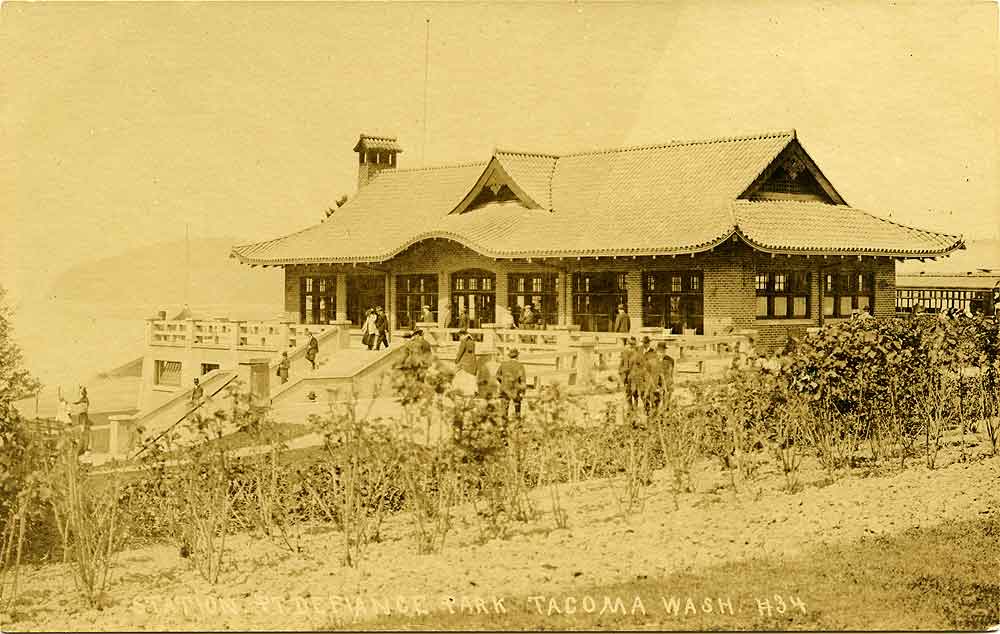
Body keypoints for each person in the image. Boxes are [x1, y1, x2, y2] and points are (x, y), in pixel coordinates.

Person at [496, 348, 527, 418]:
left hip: (504, 388)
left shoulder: (503, 364)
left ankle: (504, 426)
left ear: (509, 356)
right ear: (517, 356)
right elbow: (523, 380)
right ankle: (517, 425)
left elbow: (497, 375)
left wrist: (503, 381)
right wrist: (523, 392)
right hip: (516, 389)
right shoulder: (520, 366)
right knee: (517, 408)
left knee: (504, 409)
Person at [452, 328, 478, 396]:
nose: (459, 338)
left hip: (464, 363)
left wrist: (457, 360)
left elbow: (460, 352)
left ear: (463, 335)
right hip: (472, 362)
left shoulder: (464, 341)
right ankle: (473, 390)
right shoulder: (472, 341)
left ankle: (460, 391)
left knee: (459, 376)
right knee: (471, 378)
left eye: (460, 336)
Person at [72, 386, 91, 455]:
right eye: (82, 393)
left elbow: (82, 403)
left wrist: (77, 403)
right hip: (81, 415)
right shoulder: (83, 399)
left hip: (83, 415)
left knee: (83, 430)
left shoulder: (85, 399)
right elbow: (78, 402)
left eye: (83, 393)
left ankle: (84, 447)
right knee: (80, 428)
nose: (82, 394)